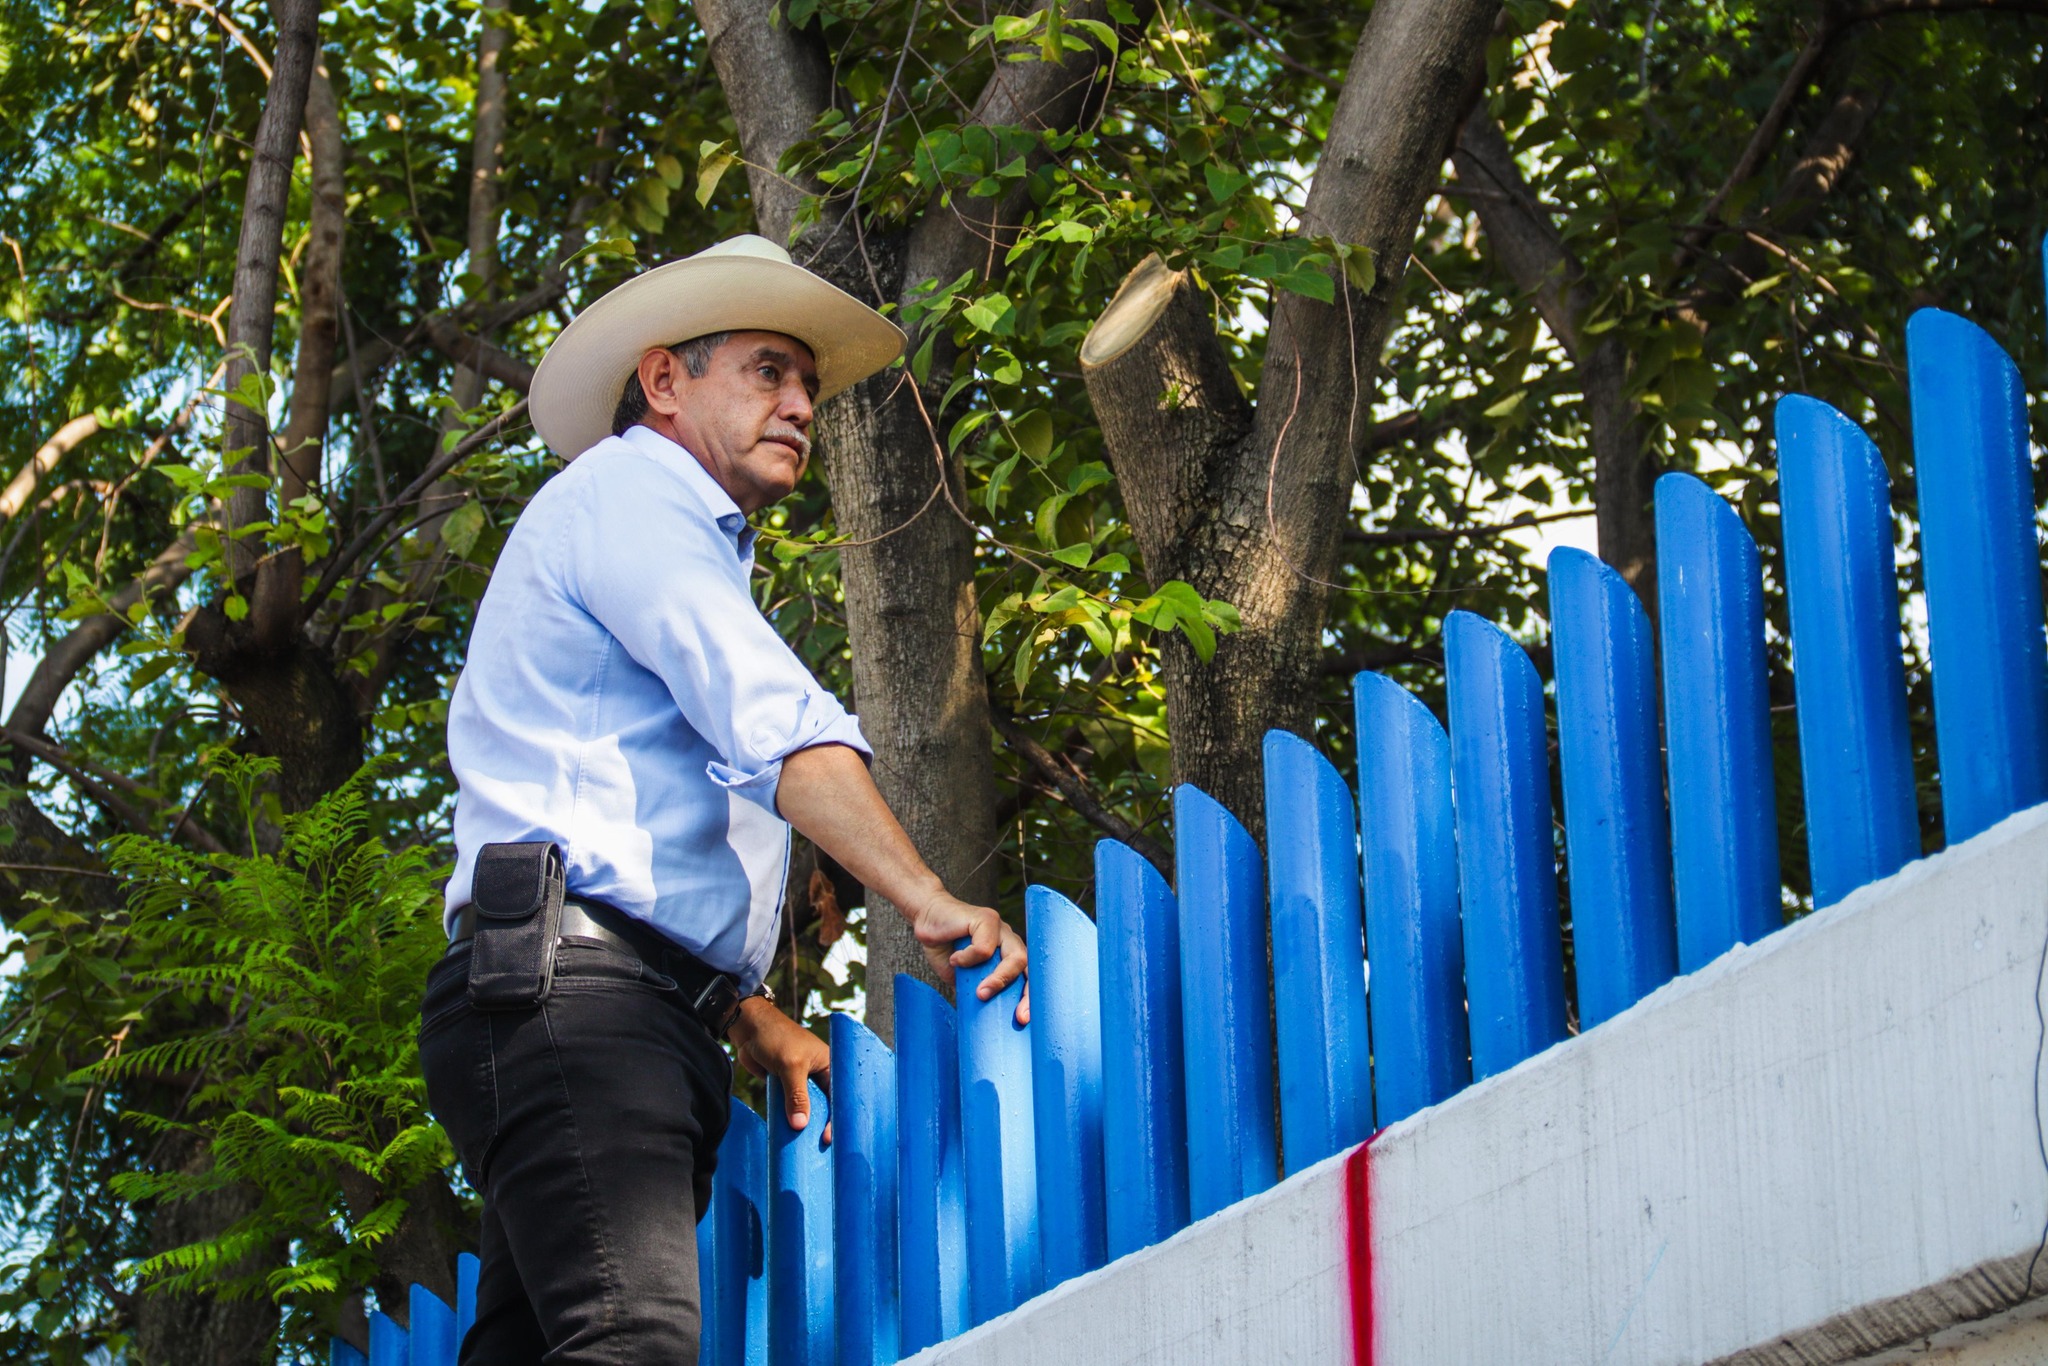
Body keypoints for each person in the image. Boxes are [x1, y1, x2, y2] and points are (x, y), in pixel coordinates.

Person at [418, 234, 1028, 1363]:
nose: (799, 403)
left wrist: (743, 1015)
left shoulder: (656, 532)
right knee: (631, 1337)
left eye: (806, 382)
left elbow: (618, 828)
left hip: (583, 1004)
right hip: (580, 1013)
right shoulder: (630, 500)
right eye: (766, 370)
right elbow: (773, 728)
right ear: (664, 381)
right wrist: (924, 899)